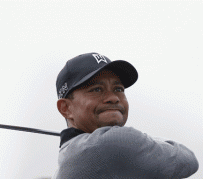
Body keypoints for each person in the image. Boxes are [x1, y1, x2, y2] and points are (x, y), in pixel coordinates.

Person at [52, 52, 199, 178]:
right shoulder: (111, 143)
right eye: (96, 89)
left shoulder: (67, 156)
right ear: (66, 108)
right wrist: (144, 140)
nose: (113, 97)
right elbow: (189, 159)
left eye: (118, 89)